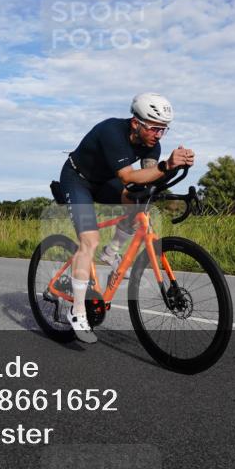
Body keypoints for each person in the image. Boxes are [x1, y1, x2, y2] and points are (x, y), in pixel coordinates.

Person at [59, 92, 195, 343]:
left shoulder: (153, 145)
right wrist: (167, 165)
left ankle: (112, 251)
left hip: (103, 181)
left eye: (163, 130)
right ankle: (77, 312)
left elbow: (148, 178)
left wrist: (172, 169)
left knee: (139, 203)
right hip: (77, 179)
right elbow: (129, 178)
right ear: (136, 123)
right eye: (154, 128)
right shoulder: (112, 131)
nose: (158, 135)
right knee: (89, 240)